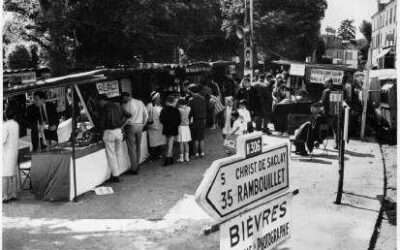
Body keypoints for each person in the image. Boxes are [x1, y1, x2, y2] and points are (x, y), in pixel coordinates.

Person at [97, 94, 131, 182]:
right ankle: (118, 172)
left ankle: (115, 175)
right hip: (118, 131)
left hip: (109, 132)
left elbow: (102, 123)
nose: (99, 104)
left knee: (111, 155)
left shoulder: (105, 108)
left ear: (103, 100)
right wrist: (122, 126)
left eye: (99, 102)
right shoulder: (118, 105)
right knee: (118, 153)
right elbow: (129, 115)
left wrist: (99, 131)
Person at [121, 92, 149, 174]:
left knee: (131, 148)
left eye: (123, 99)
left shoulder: (125, 105)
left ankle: (134, 168)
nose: (123, 100)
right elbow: (146, 115)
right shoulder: (140, 102)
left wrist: (122, 127)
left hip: (131, 126)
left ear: (127, 97)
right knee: (138, 146)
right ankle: (137, 164)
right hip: (140, 126)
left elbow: (127, 119)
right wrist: (143, 125)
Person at [3, 107, 20, 203]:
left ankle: (5, 196)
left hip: (6, 153)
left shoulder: (5, 126)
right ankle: (14, 193)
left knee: (5, 175)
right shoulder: (16, 124)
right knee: (13, 174)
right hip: (14, 151)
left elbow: (3, 140)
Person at [160, 95, 181, 166]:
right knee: (170, 144)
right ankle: (169, 158)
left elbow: (161, 120)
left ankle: (168, 158)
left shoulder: (163, 110)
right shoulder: (176, 110)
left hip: (166, 128)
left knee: (168, 143)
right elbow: (179, 120)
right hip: (173, 128)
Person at [188, 84, 207, 157]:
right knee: (201, 138)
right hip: (202, 120)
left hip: (195, 120)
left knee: (195, 138)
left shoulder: (191, 100)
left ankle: (196, 153)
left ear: (192, 92)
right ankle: (202, 152)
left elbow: (190, 112)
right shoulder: (203, 99)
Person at [146, 91, 166, 160]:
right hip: (153, 126)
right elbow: (146, 115)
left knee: (160, 140)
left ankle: (159, 154)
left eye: (159, 97)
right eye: (158, 97)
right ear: (154, 98)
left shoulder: (160, 105)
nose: (159, 99)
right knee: (153, 142)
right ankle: (153, 155)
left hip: (160, 126)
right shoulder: (149, 105)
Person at [176, 98, 192, 163]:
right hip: (187, 127)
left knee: (181, 143)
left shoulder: (179, 110)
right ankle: (187, 157)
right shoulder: (188, 108)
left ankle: (181, 158)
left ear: (180, 104)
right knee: (186, 143)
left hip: (180, 127)